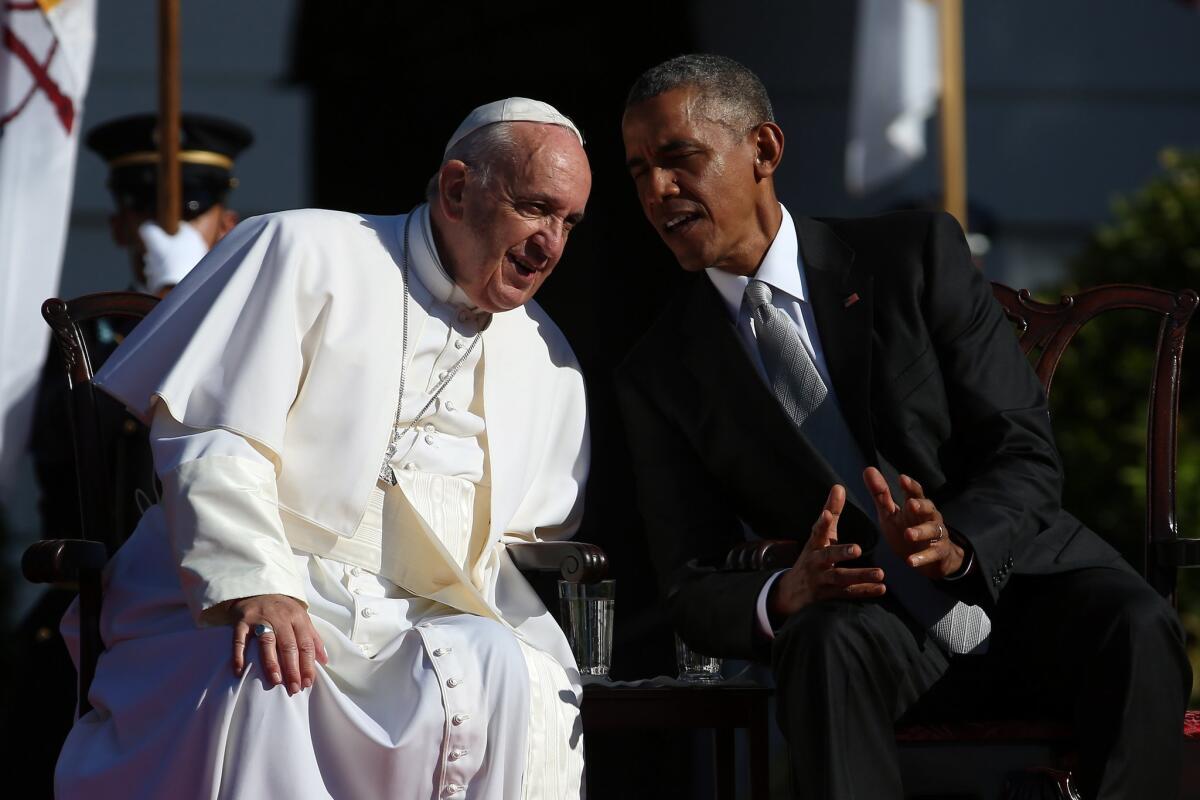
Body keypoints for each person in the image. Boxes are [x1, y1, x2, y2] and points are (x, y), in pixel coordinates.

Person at [615, 54, 1190, 799]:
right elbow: (689, 586)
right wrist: (785, 593)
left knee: (1137, 626)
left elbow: (1024, 451)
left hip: (1015, 588)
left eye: (678, 158)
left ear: (763, 149)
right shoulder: (658, 371)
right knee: (818, 646)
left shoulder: (913, 257)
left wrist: (957, 544)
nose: (658, 190)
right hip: (869, 633)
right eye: (637, 172)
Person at [53, 97, 592, 800]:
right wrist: (256, 582)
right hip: (265, 564)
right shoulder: (303, 249)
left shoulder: (544, 353)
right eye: (534, 208)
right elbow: (215, 434)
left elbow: (525, 537)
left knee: (503, 666)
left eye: (568, 222)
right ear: (458, 189)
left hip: (418, 611)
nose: (550, 243)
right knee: (268, 663)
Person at [3, 113, 253, 800]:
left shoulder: (250, 332)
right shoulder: (82, 340)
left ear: (227, 224)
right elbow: (91, 446)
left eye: (187, 208)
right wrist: (160, 314)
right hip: (98, 603)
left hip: (213, 605)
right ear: (116, 225)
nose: (156, 227)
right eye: (138, 207)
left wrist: (184, 303)